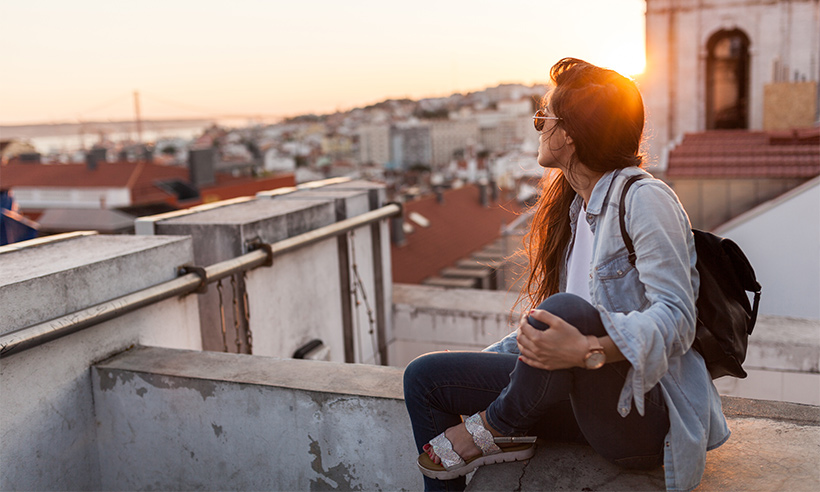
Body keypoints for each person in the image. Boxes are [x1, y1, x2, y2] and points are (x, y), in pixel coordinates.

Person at [403, 58, 729, 492]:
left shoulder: (645, 199)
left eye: (544, 118)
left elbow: (678, 320)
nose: (538, 128)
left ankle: (499, 427)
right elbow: (550, 342)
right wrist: (492, 364)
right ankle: (494, 435)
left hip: (645, 418)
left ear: (570, 134)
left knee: (564, 310)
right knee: (425, 378)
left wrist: (588, 349)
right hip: (583, 402)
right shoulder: (577, 210)